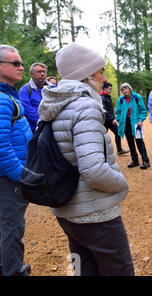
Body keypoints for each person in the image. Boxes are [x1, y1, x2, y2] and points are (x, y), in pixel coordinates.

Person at [39, 43, 134, 276]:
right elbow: (93, 170)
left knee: (85, 270)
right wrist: (122, 183)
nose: (104, 78)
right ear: (86, 75)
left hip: (67, 209)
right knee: (119, 271)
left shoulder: (55, 104)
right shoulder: (85, 107)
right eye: (100, 72)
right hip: (95, 212)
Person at [0, 45, 33, 276]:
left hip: (9, 175)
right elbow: (1, 147)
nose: (21, 67)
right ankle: (13, 271)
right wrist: (21, 176)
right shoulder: (3, 100)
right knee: (12, 227)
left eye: (21, 63)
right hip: (9, 178)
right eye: (16, 63)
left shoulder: (8, 95)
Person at [115, 83, 150, 169]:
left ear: (130, 89)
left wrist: (140, 120)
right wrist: (119, 120)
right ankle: (135, 160)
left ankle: (145, 161)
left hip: (136, 122)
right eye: (123, 89)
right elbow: (118, 112)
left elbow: (143, 110)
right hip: (126, 123)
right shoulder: (121, 99)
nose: (125, 91)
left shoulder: (137, 97)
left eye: (126, 88)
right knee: (130, 142)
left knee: (139, 142)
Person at [19, 62, 53, 133]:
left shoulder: (54, 88)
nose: (42, 74)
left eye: (44, 72)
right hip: (35, 130)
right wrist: (45, 123)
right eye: (39, 72)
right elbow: (28, 111)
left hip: (54, 129)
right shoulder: (25, 90)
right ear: (31, 74)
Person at [101, 82, 129, 156]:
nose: (111, 90)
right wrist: (111, 119)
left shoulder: (107, 97)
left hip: (111, 120)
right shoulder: (102, 98)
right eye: (110, 89)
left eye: (111, 88)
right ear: (105, 89)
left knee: (118, 133)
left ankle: (119, 150)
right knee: (103, 137)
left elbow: (110, 110)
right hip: (105, 121)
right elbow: (104, 111)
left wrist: (114, 118)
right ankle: (102, 153)